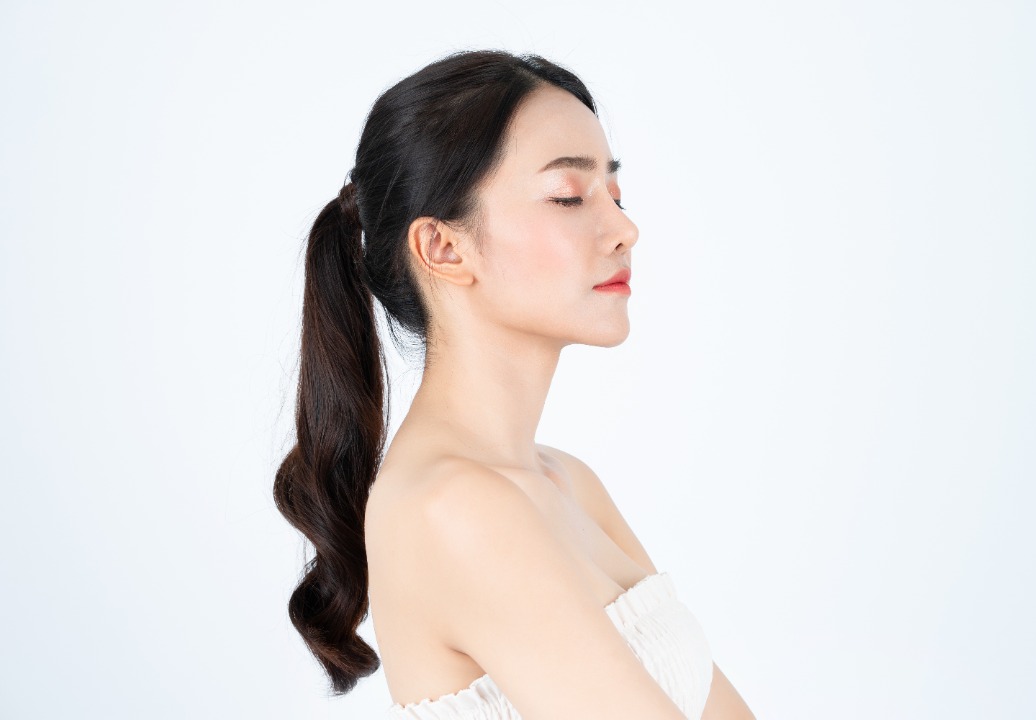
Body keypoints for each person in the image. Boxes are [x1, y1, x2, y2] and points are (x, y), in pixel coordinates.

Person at [274, 50, 755, 720]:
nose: (625, 229)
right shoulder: (454, 508)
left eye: (615, 194)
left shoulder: (567, 481)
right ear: (443, 248)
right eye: (568, 196)